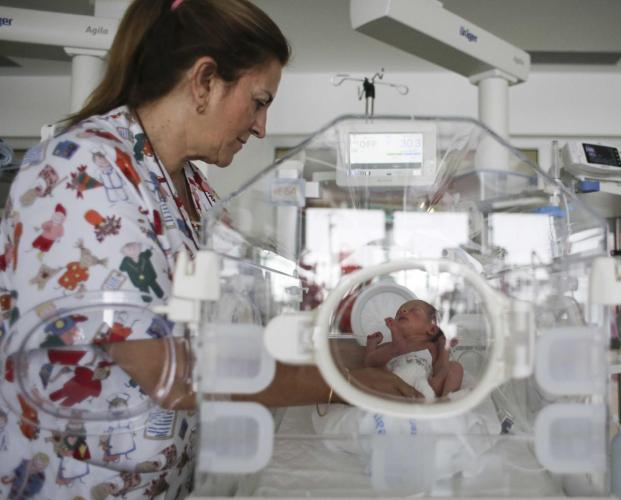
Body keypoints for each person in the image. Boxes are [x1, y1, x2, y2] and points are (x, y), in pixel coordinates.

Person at [0, 1, 418, 498]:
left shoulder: (192, 189)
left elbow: (231, 340)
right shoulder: (84, 171)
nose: (261, 127)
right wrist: (342, 384)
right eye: (259, 102)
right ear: (204, 82)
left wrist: (364, 352)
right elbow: (166, 371)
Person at [365, 300, 464, 400]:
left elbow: (440, 367)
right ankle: (396, 349)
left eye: (414, 311)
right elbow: (369, 363)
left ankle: (446, 400)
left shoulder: (430, 346)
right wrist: (372, 344)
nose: (403, 311)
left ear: (432, 329)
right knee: (375, 366)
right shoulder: (389, 346)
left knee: (455, 367)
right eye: (398, 314)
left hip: (422, 385)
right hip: (392, 379)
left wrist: (444, 347)